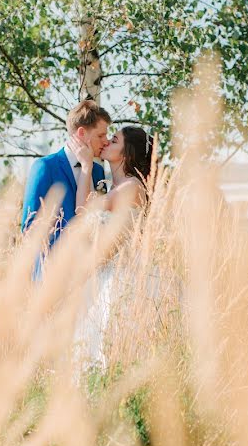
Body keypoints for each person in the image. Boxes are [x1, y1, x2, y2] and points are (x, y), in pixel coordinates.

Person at [68, 126, 154, 367]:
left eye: (114, 140)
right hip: (105, 275)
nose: (106, 142)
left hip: (123, 278)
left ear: (126, 153)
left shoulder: (131, 187)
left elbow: (83, 211)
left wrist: (86, 166)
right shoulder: (115, 188)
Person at [20, 100, 111, 248]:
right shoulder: (45, 167)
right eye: (101, 136)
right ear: (82, 133)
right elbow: (29, 228)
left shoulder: (98, 171)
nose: (106, 142)